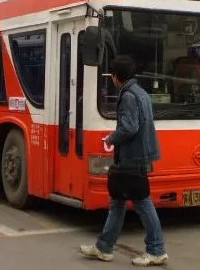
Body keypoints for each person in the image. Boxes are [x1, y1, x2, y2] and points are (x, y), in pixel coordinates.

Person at [80, 55, 168, 266]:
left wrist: (111, 138)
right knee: (117, 202)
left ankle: (156, 249)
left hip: (132, 157)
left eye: (112, 75)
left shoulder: (128, 96)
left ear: (116, 76)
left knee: (141, 202)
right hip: (137, 155)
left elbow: (129, 128)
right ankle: (104, 247)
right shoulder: (142, 93)